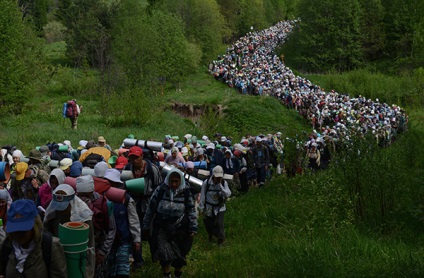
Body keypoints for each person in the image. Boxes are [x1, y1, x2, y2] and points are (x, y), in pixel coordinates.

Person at [142, 168, 197, 278]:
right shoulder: (161, 190)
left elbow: (191, 210)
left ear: (181, 181)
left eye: (177, 181)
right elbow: (151, 208)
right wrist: (146, 224)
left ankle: (177, 274)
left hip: (180, 228)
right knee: (163, 252)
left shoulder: (186, 192)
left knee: (180, 253)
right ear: (168, 179)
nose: (174, 184)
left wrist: (193, 227)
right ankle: (166, 274)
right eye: (172, 181)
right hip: (162, 227)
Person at [0, 199, 67, 277]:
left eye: (23, 230)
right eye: (15, 230)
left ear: (35, 226)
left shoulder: (50, 246)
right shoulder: (6, 246)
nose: (18, 234)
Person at [44, 184, 95, 278]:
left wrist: (88, 273)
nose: (60, 211)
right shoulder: (53, 214)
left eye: (63, 207)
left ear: (72, 203)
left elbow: (90, 247)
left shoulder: (84, 217)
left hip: (77, 262)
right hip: (57, 261)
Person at [124, 146, 162, 269]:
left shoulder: (153, 170)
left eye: (136, 157)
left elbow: (158, 188)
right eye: (131, 158)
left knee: (152, 232)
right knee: (134, 232)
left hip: (149, 204)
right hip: (133, 204)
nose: (134, 160)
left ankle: (155, 256)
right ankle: (138, 260)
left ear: (141, 157)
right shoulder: (127, 169)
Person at [76, 175, 116, 278]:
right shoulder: (73, 202)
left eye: (86, 195)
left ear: (91, 192)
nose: (84, 199)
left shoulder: (103, 204)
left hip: (98, 247)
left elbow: (111, 229)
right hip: (79, 248)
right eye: (81, 195)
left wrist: (103, 251)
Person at [104, 169, 141, 278]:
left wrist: (136, 239)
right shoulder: (102, 198)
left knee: (122, 271)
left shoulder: (126, 200)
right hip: (107, 241)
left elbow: (133, 220)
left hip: (123, 240)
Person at [198, 166, 231, 245]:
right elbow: (202, 195)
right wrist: (201, 208)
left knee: (219, 223)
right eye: (217, 177)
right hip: (209, 207)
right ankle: (211, 235)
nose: (218, 179)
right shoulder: (207, 183)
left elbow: (228, 194)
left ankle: (221, 240)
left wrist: (220, 186)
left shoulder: (224, 183)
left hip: (220, 207)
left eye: (220, 177)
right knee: (209, 224)